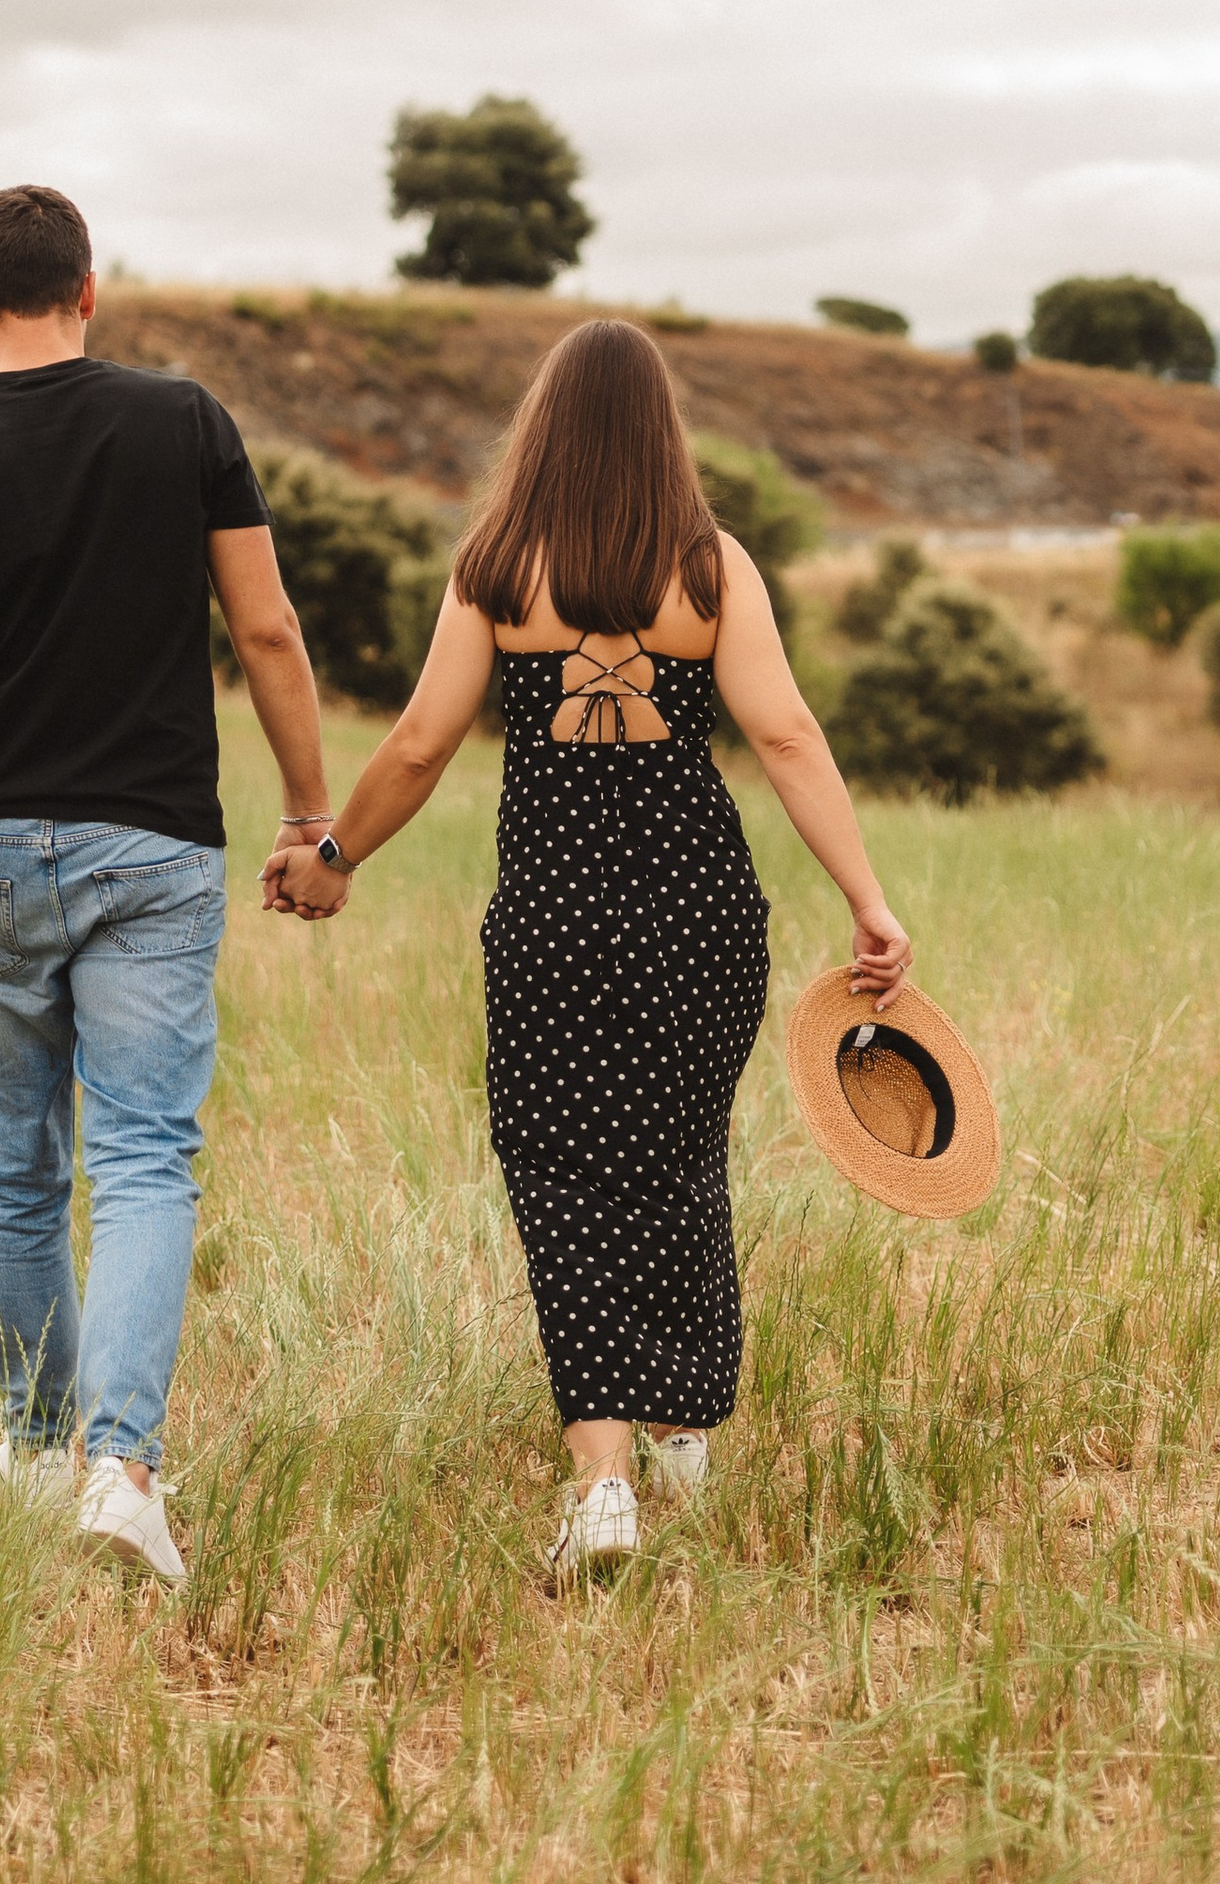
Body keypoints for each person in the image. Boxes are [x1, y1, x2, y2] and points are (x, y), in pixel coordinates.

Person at [273, 315, 912, 1576]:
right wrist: (868, 901)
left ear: (544, 431)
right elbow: (785, 736)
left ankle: (607, 1482)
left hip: (558, 917)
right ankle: (680, 1429)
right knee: (678, 1155)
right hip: (697, 907)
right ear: (661, 433)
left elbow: (415, 745)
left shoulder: (498, 567)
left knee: (561, 1169)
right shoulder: (712, 569)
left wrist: (333, 859)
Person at [0, 181, 335, 1589]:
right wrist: (311, 814)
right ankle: (118, 1468)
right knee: (144, 1156)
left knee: (11, 1159)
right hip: (155, 847)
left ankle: (31, 1434)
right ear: (91, 288)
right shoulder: (184, 424)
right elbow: (268, 628)